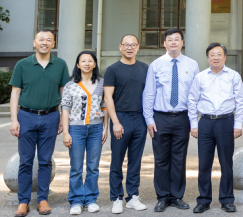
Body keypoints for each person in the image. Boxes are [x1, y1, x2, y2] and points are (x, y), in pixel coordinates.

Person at [9, 29, 71, 217]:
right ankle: (23, 202)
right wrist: (14, 120)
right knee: (25, 161)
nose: (44, 42)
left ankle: (43, 199)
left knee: (45, 161)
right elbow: (15, 93)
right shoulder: (22, 64)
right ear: (34, 43)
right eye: (41, 39)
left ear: (53, 44)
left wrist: (63, 118)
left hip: (50, 117)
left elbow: (64, 93)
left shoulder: (60, 64)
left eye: (48, 40)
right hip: (26, 116)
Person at [142, 28, 199, 212]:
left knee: (179, 158)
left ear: (182, 42)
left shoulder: (192, 64)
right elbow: (149, 93)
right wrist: (149, 119)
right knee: (161, 159)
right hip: (160, 117)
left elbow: (195, 95)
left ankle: (176, 196)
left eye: (177, 39)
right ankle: (162, 196)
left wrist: (193, 121)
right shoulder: (156, 65)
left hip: (182, 117)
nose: (173, 42)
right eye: (170, 39)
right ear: (164, 43)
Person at [188, 43, 243, 214]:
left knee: (226, 164)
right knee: (204, 164)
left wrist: (238, 125)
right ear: (207, 58)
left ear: (225, 57)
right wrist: (193, 124)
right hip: (205, 122)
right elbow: (192, 101)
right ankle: (204, 200)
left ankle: (227, 200)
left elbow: (240, 101)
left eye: (219, 54)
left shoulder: (233, 76)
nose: (215, 58)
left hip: (226, 122)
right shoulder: (200, 77)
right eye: (212, 55)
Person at [104, 35, 149, 214]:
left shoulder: (145, 68)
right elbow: (108, 97)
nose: (129, 48)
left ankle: (133, 197)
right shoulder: (112, 69)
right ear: (120, 47)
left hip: (140, 119)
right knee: (117, 160)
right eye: (126, 45)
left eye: (133, 45)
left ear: (138, 47)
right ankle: (116, 198)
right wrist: (115, 122)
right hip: (121, 118)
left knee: (135, 161)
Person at [61, 51, 109, 215]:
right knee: (76, 167)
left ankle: (90, 199)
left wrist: (105, 127)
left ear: (94, 64)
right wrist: (66, 132)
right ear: (78, 64)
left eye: (90, 61)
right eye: (83, 61)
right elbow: (65, 109)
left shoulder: (102, 83)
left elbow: (105, 106)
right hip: (76, 129)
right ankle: (76, 200)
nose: (87, 63)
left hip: (96, 128)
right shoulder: (70, 85)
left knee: (93, 167)